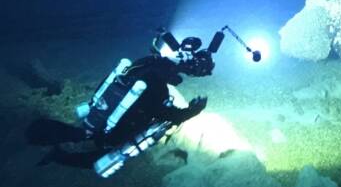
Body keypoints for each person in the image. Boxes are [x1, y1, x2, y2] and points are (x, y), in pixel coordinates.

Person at [26, 30, 215, 176]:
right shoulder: (157, 85)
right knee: (101, 159)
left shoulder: (146, 62)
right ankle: (59, 156)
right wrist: (193, 110)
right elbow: (166, 114)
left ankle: (50, 136)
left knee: (85, 134)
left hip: (102, 113)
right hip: (119, 129)